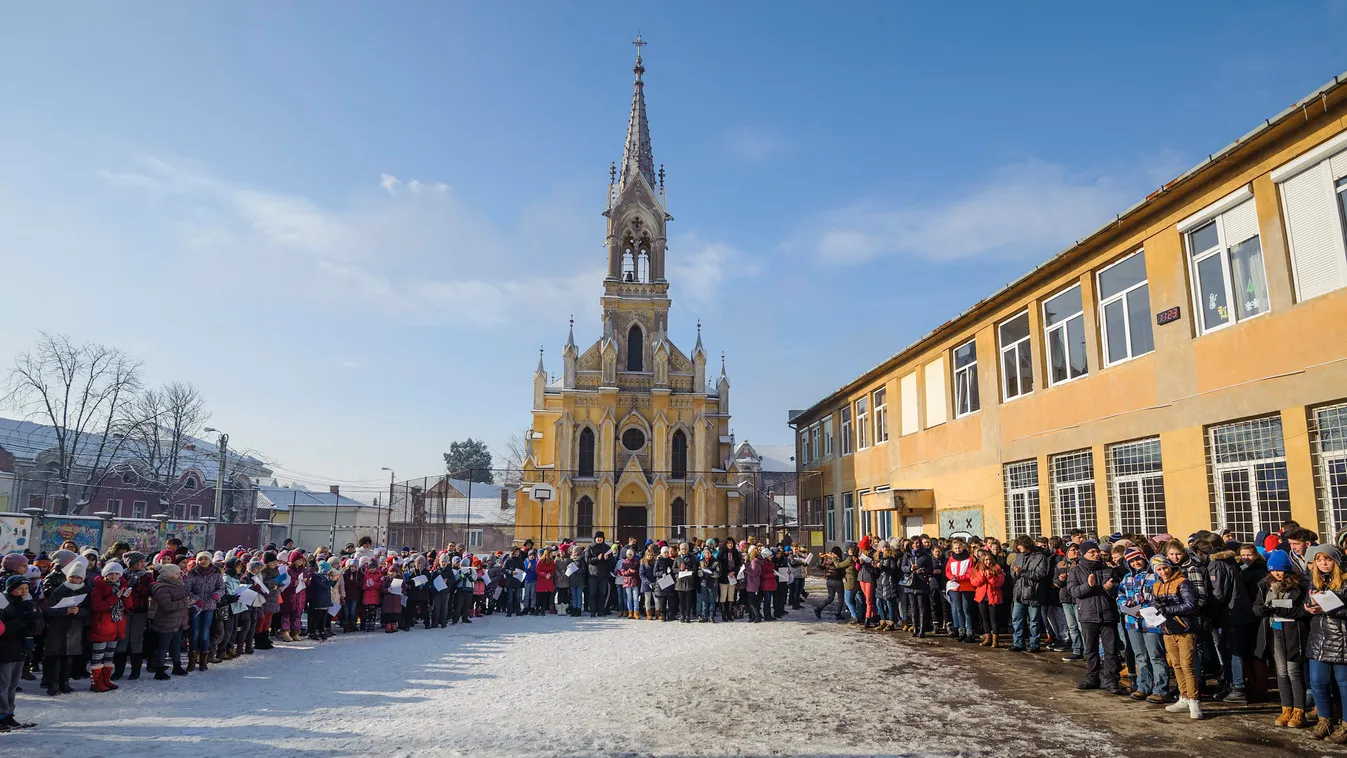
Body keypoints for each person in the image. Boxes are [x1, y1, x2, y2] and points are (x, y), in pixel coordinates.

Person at [1252, 549, 1309, 728]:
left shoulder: (1299, 584)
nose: (1277, 573)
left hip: (1293, 631)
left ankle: (1299, 711)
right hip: (1274, 630)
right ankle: (1286, 708)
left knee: (1293, 671)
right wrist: (1260, 610)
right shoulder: (1265, 584)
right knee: (1281, 672)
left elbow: (1303, 611)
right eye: (1274, 570)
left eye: (1280, 570)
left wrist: (1281, 610)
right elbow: (1257, 605)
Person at [1067, 540, 1123, 694]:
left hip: (1107, 614)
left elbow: (1118, 590)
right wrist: (1089, 586)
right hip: (1087, 614)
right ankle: (1092, 677)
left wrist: (1109, 589)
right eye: (1092, 552)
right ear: (1084, 554)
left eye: (1097, 551)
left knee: (1111, 650)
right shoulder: (1076, 571)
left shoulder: (1108, 569)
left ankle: (1111, 679)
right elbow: (1073, 591)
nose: (1097, 554)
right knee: (1091, 649)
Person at [1152, 554, 1202, 720]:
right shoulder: (1157, 585)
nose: (1163, 571)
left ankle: (1194, 701)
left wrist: (1168, 609)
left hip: (1184, 627)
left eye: (1165, 567)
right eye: (1159, 569)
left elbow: (1191, 604)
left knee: (1187, 664)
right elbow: (1155, 604)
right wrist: (1155, 609)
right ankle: (1184, 697)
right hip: (1168, 629)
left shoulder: (1182, 582)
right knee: (1176, 664)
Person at [1305, 544, 1347, 743]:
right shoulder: (1315, 582)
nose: (1323, 563)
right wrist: (1311, 607)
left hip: (1341, 639)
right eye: (1319, 560)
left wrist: (1327, 609)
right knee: (1318, 682)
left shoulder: (1345, 582)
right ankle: (1324, 720)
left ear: (1336, 561)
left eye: (1327, 559)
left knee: (1344, 684)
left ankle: (1346, 725)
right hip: (1319, 638)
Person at [1117, 547, 1167, 703]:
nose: (1135, 563)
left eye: (1138, 559)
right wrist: (1126, 604)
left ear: (1144, 558)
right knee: (1140, 656)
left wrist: (1144, 608)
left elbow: (1161, 597)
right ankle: (1143, 687)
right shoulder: (1127, 578)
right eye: (1131, 561)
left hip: (1151, 621)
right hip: (1133, 622)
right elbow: (1120, 596)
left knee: (1156, 656)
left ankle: (1160, 689)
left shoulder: (1154, 576)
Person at [42, 558, 91, 695]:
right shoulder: (59, 591)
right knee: (56, 657)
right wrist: (65, 611)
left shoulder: (85, 591)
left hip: (75, 628)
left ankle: (65, 682)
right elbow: (49, 609)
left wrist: (79, 612)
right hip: (58, 627)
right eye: (72, 577)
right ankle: (53, 684)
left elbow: (89, 610)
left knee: (69, 658)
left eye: (78, 577)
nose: (75, 580)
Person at [0, 575, 38, 730]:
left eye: (26, 588)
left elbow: (34, 627)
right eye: (19, 589)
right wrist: (21, 621)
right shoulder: (4, 604)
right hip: (5, 649)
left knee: (13, 685)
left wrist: (34, 618)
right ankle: (1, 716)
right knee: (3, 685)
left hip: (20, 649)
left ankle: (9, 714)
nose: (23, 591)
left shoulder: (27, 603)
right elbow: (4, 629)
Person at [149, 563, 192, 681]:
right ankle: (159, 670)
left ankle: (177, 666)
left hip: (178, 621)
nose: (180, 575)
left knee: (176, 645)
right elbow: (167, 606)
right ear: (169, 575)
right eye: (177, 573)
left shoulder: (178, 585)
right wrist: (185, 602)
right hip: (166, 622)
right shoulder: (161, 587)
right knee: (163, 647)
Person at [1010, 535, 1049, 653]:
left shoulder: (1040, 557)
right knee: (1017, 619)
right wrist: (1016, 573)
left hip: (1034, 593)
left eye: (1020, 546)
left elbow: (1040, 574)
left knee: (1034, 621)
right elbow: (1012, 573)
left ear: (1026, 545)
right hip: (1019, 592)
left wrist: (1023, 572)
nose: (1019, 548)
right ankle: (1018, 643)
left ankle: (1034, 644)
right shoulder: (1018, 556)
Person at [970, 548, 1005, 647]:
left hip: (993, 597)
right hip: (981, 597)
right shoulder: (977, 569)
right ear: (982, 560)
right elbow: (973, 582)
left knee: (994, 619)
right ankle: (988, 637)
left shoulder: (997, 568)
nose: (988, 562)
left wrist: (990, 577)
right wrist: (981, 577)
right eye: (986, 560)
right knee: (984, 619)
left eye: (989, 559)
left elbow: (999, 583)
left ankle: (995, 640)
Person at [945, 538, 977, 642]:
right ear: (953, 549)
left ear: (962, 548)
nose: (958, 550)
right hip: (955, 586)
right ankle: (961, 631)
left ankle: (970, 632)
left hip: (966, 586)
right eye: (956, 548)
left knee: (966, 610)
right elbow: (947, 571)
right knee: (959, 610)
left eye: (959, 548)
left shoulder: (969, 559)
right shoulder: (951, 559)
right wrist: (952, 577)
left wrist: (959, 578)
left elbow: (970, 573)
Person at [816, 547, 847, 621]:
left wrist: (822, 559)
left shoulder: (827, 559)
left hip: (829, 580)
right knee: (841, 598)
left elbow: (821, 567)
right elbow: (842, 571)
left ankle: (818, 608)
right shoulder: (839, 560)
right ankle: (837, 614)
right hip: (837, 580)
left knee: (830, 597)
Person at [585, 533, 612, 618]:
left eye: (601, 538)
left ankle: (601, 610)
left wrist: (608, 558)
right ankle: (592, 611)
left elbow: (612, 561)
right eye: (598, 538)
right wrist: (597, 558)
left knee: (602, 593)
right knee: (592, 593)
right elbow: (587, 560)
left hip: (604, 575)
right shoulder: (590, 547)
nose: (599, 539)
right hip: (593, 574)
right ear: (595, 539)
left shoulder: (607, 548)